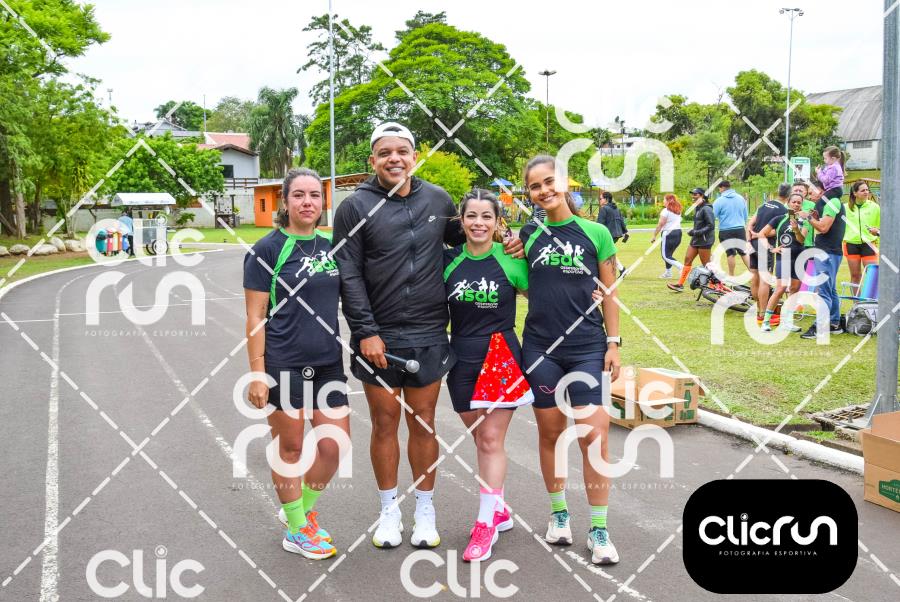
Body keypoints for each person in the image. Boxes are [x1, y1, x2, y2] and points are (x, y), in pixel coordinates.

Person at [332, 122, 523, 550]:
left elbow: (471, 238)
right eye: (385, 153)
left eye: (402, 151)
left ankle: (424, 510)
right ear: (373, 160)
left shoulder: (438, 200)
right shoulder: (354, 206)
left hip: (429, 332)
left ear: (415, 157)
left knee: (423, 422)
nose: (394, 159)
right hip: (377, 337)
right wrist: (365, 331)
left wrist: (512, 241)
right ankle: (388, 512)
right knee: (384, 423)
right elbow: (348, 272)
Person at [519, 154, 621, 565]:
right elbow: (524, 284)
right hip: (540, 349)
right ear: (529, 193)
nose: (544, 190)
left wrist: (613, 343)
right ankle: (559, 514)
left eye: (549, 182)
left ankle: (599, 529)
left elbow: (610, 292)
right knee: (550, 434)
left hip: (587, 348)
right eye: (535, 186)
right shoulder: (528, 234)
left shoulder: (596, 233)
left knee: (594, 437)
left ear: (564, 182)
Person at [243, 168, 349, 560]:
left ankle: (299, 512)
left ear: (323, 202)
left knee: (334, 447)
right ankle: (297, 529)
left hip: (327, 362)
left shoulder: (332, 247)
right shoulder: (267, 250)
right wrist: (257, 373)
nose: (308, 202)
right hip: (284, 363)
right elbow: (255, 316)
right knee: (290, 448)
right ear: (285, 202)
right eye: (299, 195)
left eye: (315, 195)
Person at [443, 189, 530, 562]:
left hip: (501, 355)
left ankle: (485, 524)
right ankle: (499, 509)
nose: (479, 223)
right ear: (461, 221)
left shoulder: (511, 259)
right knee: (481, 438)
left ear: (497, 222)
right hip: (461, 357)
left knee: (491, 440)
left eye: (486, 216)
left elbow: (549, 296)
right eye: (472, 216)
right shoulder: (447, 262)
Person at [800, 180, 847, 339]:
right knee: (830, 289)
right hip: (829, 251)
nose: (809, 195)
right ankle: (834, 323)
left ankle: (819, 327)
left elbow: (823, 228)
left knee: (823, 291)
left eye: (811, 192)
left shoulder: (832, 202)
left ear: (821, 190)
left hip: (828, 252)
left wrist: (808, 217)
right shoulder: (829, 202)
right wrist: (815, 217)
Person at [756, 193, 809, 332]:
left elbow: (801, 240)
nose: (796, 204)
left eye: (799, 202)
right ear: (788, 203)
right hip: (784, 256)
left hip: (799, 257)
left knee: (794, 290)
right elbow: (761, 234)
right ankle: (766, 322)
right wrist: (772, 248)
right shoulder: (779, 219)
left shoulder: (804, 221)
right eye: (794, 202)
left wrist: (796, 229)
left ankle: (787, 322)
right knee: (780, 288)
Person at [746, 184, 789, 325]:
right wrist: (761, 234)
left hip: (753, 244)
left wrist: (749, 239)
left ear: (777, 192)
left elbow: (750, 224)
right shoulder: (783, 210)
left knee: (754, 278)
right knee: (765, 280)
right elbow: (776, 230)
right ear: (788, 196)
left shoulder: (763, 205)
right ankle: (763, 315)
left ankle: (759, 310)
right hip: (765, 245)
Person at [667, 187, 715, 292]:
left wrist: (695, 232)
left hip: (705, 240)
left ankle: (713, 286)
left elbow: (711, 226)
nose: (693, 196)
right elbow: (699, 224)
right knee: (687, 259)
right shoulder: (698, 207)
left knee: (706, 264)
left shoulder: (707, 208)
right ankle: (680, 284)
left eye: (695, 194)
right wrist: (694, 232)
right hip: (695, 239)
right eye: (692, 194)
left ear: (702, 196)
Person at [843, 180, 880, 289]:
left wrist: (876, 231)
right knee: (855, 276)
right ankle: (856, 300)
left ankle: (871, 300)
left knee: (872, 275)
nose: (866, 192)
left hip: (869, 244)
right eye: (863, 190)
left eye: (867, 190)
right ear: (855, 193)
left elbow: (881, 226)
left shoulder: (875, 207)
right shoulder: (845, 208)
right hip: (851, 244)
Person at [712, 180, 750, 276]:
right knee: (744, 252)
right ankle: (753, 273)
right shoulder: (741, 198)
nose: (719, 191)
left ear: (722, 188)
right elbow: (745, 215)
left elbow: (712, 216)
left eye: (719, 189)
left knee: (730, 253)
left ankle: (731, 275)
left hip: (726, 230)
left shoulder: (719, 200)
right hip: (740, 229)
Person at [651, 193, 683, 278]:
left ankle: (682, 268)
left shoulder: (665, 211)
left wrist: (654, 235)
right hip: (678, 233)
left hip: (669, 234)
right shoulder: (678, 210)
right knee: (669, 255)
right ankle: (668, 273)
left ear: (668, 201)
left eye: (664, 199)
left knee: (665, 256)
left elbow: (660, 224)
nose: (663, 201)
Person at [596, 191, 628, 276]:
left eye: (600, 198)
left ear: (606, 199)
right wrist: (625, 232)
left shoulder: (604, 209)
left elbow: (599, 224)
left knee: (602, 252)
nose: (599, 200)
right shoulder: (616, 208)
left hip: (608, 235)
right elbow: (621, 221)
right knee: (608, 252)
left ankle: (621, 269)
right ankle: (622, 269)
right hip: (616, 235)